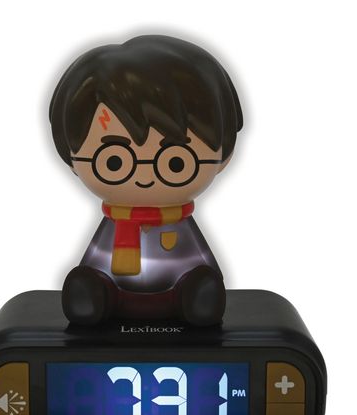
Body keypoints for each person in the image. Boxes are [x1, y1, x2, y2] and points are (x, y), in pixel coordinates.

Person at [49, 35, 243, 326]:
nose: (144, 175)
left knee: (201, 281)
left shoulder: (179, 224)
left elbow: (204, 263)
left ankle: (198, 295)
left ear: (224, 156)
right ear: (72, 159)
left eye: (175, 162)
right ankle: (91, 294)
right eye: (115, 161)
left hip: (178, 288)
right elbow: (96, 259)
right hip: (113, 290)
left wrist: (203, 280)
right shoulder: (113, 225)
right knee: (90, 279)